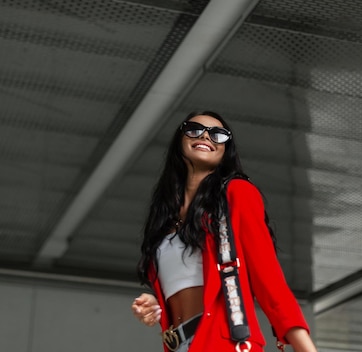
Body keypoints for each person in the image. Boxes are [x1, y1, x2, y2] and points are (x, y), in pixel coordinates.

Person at [131, 111, 317, 352]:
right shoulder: (164, 217)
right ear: (180, 139)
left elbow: (269, 280)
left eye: (218, 135)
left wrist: (306, 348)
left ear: (226, 150)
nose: (206, 137)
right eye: (195, 129)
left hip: (225, 343)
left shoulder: (237, 193)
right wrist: (155, 304)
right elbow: (190, 280)